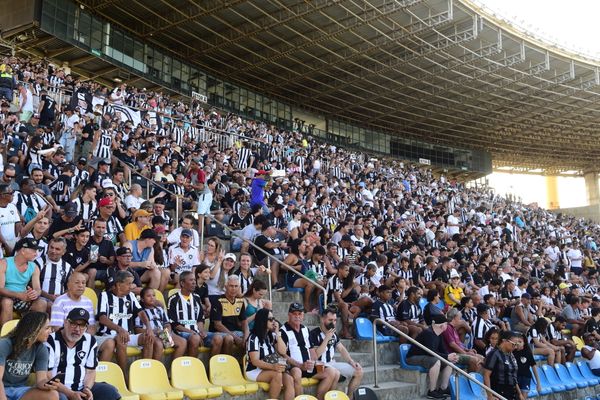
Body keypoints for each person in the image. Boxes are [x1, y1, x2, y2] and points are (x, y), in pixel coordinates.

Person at [46, 308, 120, 400]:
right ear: (65, 322)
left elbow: (90, 371)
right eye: (73, 324)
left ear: (86, 327)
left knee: (110, 391)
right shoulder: (50, 341)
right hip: (58, 389)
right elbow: (47, 375)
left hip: (81, 387)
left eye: (82, 325)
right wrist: (70, 393)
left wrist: (87, 388)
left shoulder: (90, 341)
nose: (77, 329)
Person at [96, 270, 154, 373]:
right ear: (119, 285)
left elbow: (141, 312)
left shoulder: (130, 296)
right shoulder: (104, 295)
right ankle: (123, 375)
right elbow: (102, 318)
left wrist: (148, 328)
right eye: (129, 284)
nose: (131, 286)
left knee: (148, 338)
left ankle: (145, 374)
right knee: (121, 338)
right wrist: (119, 329)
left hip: (127, 334)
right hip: (108, 335)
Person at [280, 302, 338, 400]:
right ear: (289, 315)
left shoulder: (305, 329)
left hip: (308, 366)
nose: (297, 316)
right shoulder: (283, 331)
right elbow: (283, 355)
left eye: (300, 314)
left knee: (331, 372)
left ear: (303, 316)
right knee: (297, 372)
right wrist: (300, 365)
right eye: (295, 314)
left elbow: (311, 351)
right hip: (294, 367)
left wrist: (313, 361)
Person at [0, 312, 59, 400]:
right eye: (47, 328)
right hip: (2, 388)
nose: (50, 331)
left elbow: (41, 380)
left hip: (20, 390)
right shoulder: (5, 344)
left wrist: (48, 384)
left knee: (53, 395)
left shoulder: (41, 349)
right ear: (34, 329)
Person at [310, 307, 364, 399]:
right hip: (319, 365)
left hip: (332, 364)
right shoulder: (314, 333)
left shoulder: (334, 334)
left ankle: (349, 397)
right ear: (322, 319)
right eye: (330, 320)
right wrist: (327, 338)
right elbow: (316, 355)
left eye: (335, 320)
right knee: (335, 373)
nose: (333, 323)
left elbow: (342, 349)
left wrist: (351, 362)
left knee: (359, 371)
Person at [168, 271, 223, 357]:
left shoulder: (197, 298)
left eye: (194, 280)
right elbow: (175, 325)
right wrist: (193, 333)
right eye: (191, 280)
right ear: (182, 283)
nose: (194, 282)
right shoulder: (173, 299)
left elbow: (200, 319)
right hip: (181, 332)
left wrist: (201, 331)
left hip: (196, 332)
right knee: (195, 338)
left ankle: (210, 368)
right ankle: (193, 366)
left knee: (218, 338)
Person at [245, 308, 296, 400]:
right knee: (277, 375)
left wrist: (277, 333)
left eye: (274, 319)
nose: (273, 321)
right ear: (262, 320)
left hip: (271, 368)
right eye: (270, 319)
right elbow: (255, 361)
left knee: (289, 379)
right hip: (255, 370)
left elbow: (283, 351)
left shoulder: (271, 336)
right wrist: (273, 367)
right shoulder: (253, 338)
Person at [405, 314, 458, 399]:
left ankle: (443, 389)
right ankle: (432, 391)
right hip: (413, 358)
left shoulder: (439, 334)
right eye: (446, 324)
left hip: (426, 356)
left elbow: (443, 349)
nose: (447, 326)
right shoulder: (428, 333)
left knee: (448, 362)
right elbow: (431, 352)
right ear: (441, 326)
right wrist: (447, 356)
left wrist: (449, 356)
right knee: (436, 361)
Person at [0, 238, 46, 326]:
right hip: (6, 295)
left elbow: (38, 289)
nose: (36, 254)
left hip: (23, 297)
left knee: (41, 303)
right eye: (33, 250)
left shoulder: (34, 267)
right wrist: (19, 295)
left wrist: (34, 293)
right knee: (7, 302)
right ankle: (5, 337)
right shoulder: (4, 263)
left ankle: (30, 335)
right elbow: (1, 289)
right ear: (23, 250)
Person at [136, 287, 186, 360]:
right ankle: (155, 368)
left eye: (153, 295)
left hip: (162, 334)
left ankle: (172, 368)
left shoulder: (159, 310)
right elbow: (137, 330)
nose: (152, 298)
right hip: (151, 335)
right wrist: (153, 331)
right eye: (148, 296)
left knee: (182, 342)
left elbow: (167, 324)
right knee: (159, 344)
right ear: (142, 299)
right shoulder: (140, 312)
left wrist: (167, 332)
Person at [209, 275, 248, 355]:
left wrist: (246, 336)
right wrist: (235, 337)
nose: (233, 289)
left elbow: (244, 322)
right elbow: (217, 325)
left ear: (239, 287)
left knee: (252, 338)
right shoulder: (218, 301)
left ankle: (246, 365)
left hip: (236, 332)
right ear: (226, 286)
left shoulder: (240, 301)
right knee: (229, 338)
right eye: (231, 286)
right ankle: (224, 364)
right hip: (220, 332)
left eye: (236, 286)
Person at [483, 330, 524, 400]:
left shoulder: (511, 355)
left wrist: (520, 394)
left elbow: (513, 376)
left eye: (516, 345)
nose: (515, 347)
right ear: (504, 341)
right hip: (499, 391)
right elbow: (486, 375)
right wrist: (489, 395)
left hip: (512, 392)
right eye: (513, 344)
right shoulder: (494, 354)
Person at [441, 308, 483, 372]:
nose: (460, 320)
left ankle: (476, 380)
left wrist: (467, 349)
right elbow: (452, 344)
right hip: (452, 354)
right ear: (455, 317)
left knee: (481, 358)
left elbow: (458, 343)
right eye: (459, 318)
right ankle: (470, 380)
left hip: (459, 352)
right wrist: (465, 353)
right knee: (475, 360)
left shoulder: (453, 328)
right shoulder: (448, 327)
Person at [512, 333, 541, 399]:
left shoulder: (527, 353)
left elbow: (534, 367)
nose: (518, 343)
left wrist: (538, 383)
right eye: (516, 342)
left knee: (523, 397)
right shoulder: (512, 353)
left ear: (524, 343)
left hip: (526, 378)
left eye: (520, 342)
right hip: (515, 378)